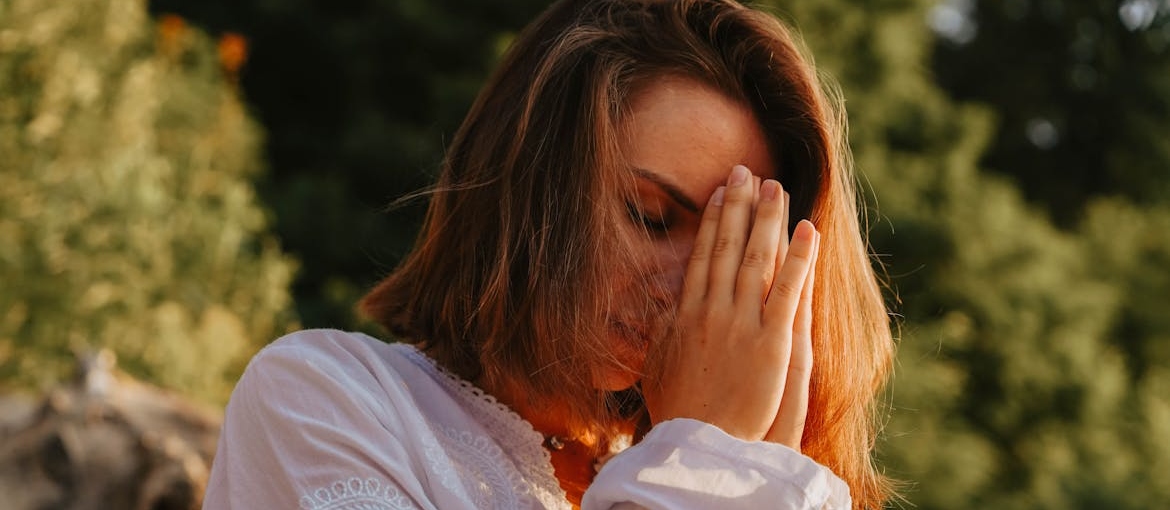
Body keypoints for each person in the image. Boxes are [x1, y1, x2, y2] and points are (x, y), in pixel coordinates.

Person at [203, 0, 896, 508]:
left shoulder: (775, 491)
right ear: (534, 188)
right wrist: (702, 461)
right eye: (650, 217)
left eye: (731, 253)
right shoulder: (327, 403)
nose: (689, 291)